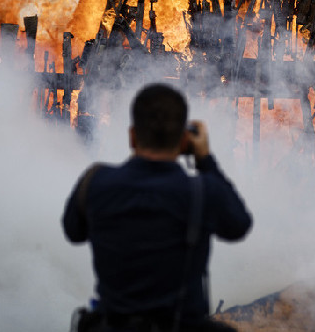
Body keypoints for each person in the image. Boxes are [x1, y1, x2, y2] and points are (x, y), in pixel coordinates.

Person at [62, 84, 253, 332]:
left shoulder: (94, 182)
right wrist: (204, 159)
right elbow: (239, 225)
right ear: (185, 140)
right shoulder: (203, 190)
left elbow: (73, 232)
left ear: (132, 136)